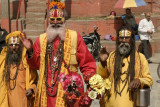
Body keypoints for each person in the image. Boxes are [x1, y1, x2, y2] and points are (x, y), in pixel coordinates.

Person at [20, 0, 96, 107]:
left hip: (69, 92)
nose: (55, 23)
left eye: (59, 20)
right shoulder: (41, 40)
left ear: (64, 20)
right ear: (49, 21)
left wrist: (92, 83)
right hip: (46, 93)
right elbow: (35, 65)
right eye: (52, 20)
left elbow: (87, 63)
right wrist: (30, 51)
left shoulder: (74, 37)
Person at [97, 26, 153, 107]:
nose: (123, 40)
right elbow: (100, 78)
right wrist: (102, 63)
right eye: (121, 38)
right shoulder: (111, 56)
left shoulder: (140, 58)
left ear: (132, 40)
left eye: (127, 38)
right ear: (117, 40)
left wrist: (139, 81)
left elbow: (149, 80)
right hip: (111, 104)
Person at [0, 31, 38, 107]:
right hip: (7, 101)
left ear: (20, 46)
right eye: (11, 45)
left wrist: (31, 89)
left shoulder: (26, 62)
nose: (14, 48)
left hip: (22, 100)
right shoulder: (2, 62)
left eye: (16, 45)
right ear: (7, 47)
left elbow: (33, 80)